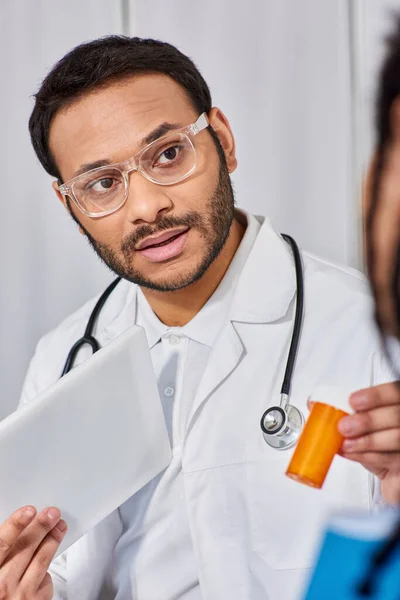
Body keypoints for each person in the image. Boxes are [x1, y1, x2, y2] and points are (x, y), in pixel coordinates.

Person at [0, 36, 399, 600]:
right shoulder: (62, 357)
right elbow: (61, 574)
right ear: (70, 205)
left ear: (224, 141)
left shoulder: (368, 332)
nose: (146, 207)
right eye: (102, 184)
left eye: (167, 154)